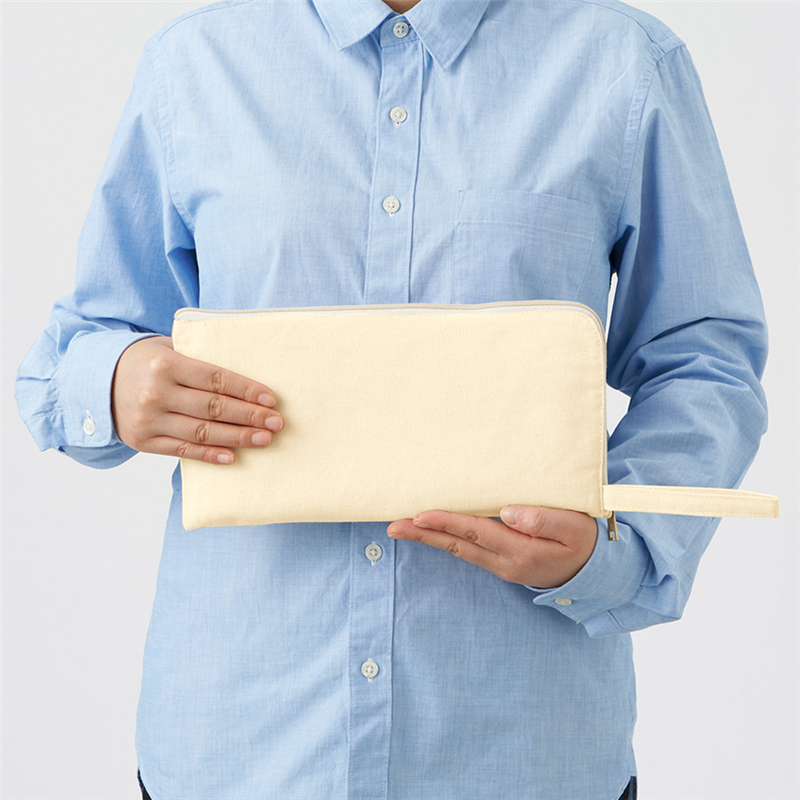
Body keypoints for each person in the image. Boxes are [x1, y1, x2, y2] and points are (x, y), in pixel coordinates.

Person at [14, 0, 770, 798]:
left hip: (520, 751)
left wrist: (614, 548)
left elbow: (703, 361)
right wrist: (117, 379)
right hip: (242, 749)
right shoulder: (193, 64)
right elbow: (70, 354)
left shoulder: (624, 63)